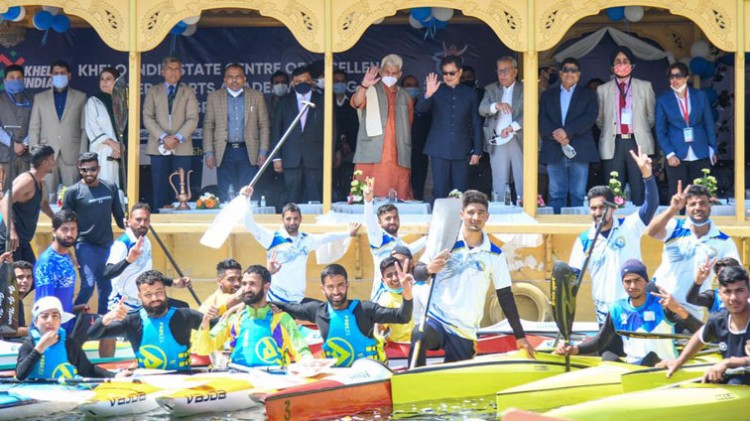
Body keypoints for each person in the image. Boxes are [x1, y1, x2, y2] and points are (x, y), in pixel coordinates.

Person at [410, 190, 533, 366]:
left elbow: (505, 297)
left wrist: (520, 336)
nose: (475, 217)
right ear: (462, 214)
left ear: (487, 217)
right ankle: (413, 382)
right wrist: (429, 269)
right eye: (471, 212)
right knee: (419, 335)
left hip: (465, 331)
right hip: (438, 319)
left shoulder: (495, 255)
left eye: (480, 213)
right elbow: (417, 273)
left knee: (455, 382)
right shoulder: (444, 242)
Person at [568, 147, 657, 354]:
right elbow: (572, 279)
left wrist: (647, 175)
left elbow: (650, 206)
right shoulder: (584, 240)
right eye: (594, 208)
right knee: (611, 362)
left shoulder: (630, 225)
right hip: (607, 318)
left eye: (602, 207)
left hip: (637, 312)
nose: (598, 212)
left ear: (614, 207)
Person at [555, 259, 702, 366]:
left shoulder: (662, 304)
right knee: (607, 356)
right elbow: (600, 341)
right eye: (627, 281)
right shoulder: (617, 309)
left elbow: (702, 331)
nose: (632, 286)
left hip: (662, 367)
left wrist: (678, 309)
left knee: (651, 357)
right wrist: (574, 349)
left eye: (637, 280)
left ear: (645, 281)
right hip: (632, 369)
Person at [273, 264, 413, 367]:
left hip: (372, 374)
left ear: (347, 285)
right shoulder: (317, 311)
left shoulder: (365, 309)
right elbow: (285, 306)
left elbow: (402, 316)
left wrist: (406, 292)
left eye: (340, 285)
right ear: (323, 289)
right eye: (330, 287)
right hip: (339, 377)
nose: (336, 291)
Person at [241, 185, 359, 303]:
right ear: (282, 220)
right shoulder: (272, 238)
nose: (292, 222)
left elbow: (326, 238)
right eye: (288, 219)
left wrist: (348, 233)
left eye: (295, 218)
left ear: (301, 219)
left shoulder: (306, 240)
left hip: (299, 300)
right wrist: (246, 199)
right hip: (275, 300)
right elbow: (249, 224)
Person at [645, 184, 740, 319]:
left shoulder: (724, 241)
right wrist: (672, 209)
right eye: (692, 204)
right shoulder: (675, 227)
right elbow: (651, 232)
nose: (697, 208)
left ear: (710, 206)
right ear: (686, 207)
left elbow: (735, 276)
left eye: (702, 203)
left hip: (690, 308)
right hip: (659, 300)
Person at [88, 270, 209, 371]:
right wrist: (108, 317)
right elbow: (92, 334)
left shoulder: (185, 316)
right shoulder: (132, 322)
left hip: (183, 381)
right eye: (148, 294)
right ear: (139, 296)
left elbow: (220, 326)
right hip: (147, 384)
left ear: (165, 292)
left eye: (158, 292)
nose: (155, 298)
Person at [194, 265, 312, 368]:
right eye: (244, 284)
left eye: (252, 284)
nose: (247, 289)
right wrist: (205, 323)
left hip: (272, 381)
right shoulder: (234, 318)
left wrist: (310, 365)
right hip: (239, 380)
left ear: (266, 287)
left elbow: (301, 351)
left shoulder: (281, 318)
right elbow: (203, 349)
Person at [658, 265, 750, 385]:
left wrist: (728, 362)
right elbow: (700, 337)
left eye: (739, 290)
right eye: (727, 291)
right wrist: (679, 361)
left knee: (735, 382)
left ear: (748, 291)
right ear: (720, 295)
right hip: (735, 377)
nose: (733, 297)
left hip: (741, 385)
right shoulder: (718, 320)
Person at [62, 152, 125, 315]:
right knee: (88, 285)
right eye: (84, 170)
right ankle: (71, 320)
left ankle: (104, 325)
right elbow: (64, 222)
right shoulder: (73, 192)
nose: (89, 173)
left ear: (99, 168)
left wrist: (133, 226)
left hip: (106, 245)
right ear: (79, 169)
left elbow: (119, 217)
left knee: (107, 288)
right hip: (84, 244)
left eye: (92, 169)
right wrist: (66, 249)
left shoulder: (110, 187)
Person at [104, 202, 192, 314]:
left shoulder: (146, 242)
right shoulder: (123, 244)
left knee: (182, 310)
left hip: (143, 304)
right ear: (129, 221)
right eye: (138, 220)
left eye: (146, 220)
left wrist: (174, 283)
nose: (142, 224)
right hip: (123, 308)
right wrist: (127, 261)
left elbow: (147, 276)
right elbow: (107, 274)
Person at [596, 47, 656, 206]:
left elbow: (651, 117)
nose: (621, 65)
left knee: (639, 185)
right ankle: (614, 222)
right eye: (617, 62)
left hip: (637, 141)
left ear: (632, 65)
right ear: (611, 66)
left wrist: (638, 129)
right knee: (614, 185)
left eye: (625, 61)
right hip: (613, 142)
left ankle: (642, 220)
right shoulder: (602, 90)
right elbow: (600, 119)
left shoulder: (645, 86)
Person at [416, 55, 482, 199]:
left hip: (462, 149)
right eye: (445, 73)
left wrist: (477, 150)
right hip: (438, 149)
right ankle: (438, 221)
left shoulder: (470, 93)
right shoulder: (436, 90)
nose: (448, 76)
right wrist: (428, 94)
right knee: (440, 191)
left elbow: (476, 122)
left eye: (451, 73)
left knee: (461, 192)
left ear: (460, 72)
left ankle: (461, 222)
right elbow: (420, 110)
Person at [538, 57, 599, 213]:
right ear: (560, 73)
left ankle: (578, 232)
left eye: (573, 70)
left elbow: (590, 117)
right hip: (554, 148)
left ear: (578, 75)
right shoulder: (548, 95)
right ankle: (557, 231)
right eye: (566, 70)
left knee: (578, 194)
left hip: (579, 149)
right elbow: (542, 119)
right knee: (556, 194)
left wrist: (567, 132)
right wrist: (557, 135)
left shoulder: (589, 95)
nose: (569, 73)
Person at [204, 63, 270, 202]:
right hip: (224, 152)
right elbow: (208, 125)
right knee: (225, 193)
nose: (234, 80)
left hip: (248, 152)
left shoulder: (256, 96)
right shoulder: (214, 97)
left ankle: (246, 222)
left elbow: (263, 125)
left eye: (238, 77)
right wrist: (209, 153)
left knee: (248, 193)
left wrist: (263, 152)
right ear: (224, 80)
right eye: (230, 77)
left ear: (244, 79)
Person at [351, 55, 414, 200]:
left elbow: (409, 123)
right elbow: (356, 102)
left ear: (400, 74)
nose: (390, 75)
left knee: (397, 198)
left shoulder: (405, 96)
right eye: (387, 72)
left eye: (394, 73)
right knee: (367, 196)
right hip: (371, 154)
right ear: (380, 71)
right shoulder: (369, 89)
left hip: (398, 155)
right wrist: (364, 85)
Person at [143, 56, 199, 210]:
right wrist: (163, 138)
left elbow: (193, 119)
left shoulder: (188, 92)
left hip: (182, 148)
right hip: (158, 147)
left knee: (181, 190)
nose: (173, 72)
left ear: (181, 72)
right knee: (159, 190)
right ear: (162, 71)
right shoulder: (153, 91)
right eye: (169, 69)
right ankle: (158, 222)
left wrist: (176, 138)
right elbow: (147, 117)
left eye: (176, 69)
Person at [16, 296, 115, 380]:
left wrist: (114, 376)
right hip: (37, 394)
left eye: (55, 316)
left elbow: (88, 369)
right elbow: (20, 375)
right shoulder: (28, 345)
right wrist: (40, 348)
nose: (50, 321)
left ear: (60, 321)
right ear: (36, 322)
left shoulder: (69, 344)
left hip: (64, 392)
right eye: (44, 316)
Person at [655, 62, 717, 197]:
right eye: (671, 77)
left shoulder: (700, 96)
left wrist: (713, 148)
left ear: (687, 77)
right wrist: (669, 154)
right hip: (676, 154)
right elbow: (660, 131)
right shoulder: (663, 100)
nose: (674, 80)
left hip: (701, 152)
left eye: (678, 76)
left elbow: (709, 124)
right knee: (678, 197)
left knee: (700, 197)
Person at [28, 60, 87, 199]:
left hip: (72, 153)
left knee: (73, 195)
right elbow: (34, 128)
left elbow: (84, 129)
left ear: (69, 75)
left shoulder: (80, 97)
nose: (59, 76)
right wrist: (35, 154)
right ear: (50, 75)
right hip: (45, 154)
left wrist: (82, 155)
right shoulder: (40, 98)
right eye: (56, 73)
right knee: (45, 196)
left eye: (62, 73)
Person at [363, 177, 426, 299]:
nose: (392, 221)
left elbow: (409, 250)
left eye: (395, 217)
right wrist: (368, 201)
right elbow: (370, 224)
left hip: (400, 295)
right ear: (379, 223)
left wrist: (427, 239)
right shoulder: (379, 238)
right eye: (388, 218)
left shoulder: (399, 243)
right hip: (382, 297)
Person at [272, 66, 326, 204]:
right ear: (292, 83)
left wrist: (330, 155)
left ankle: (316, 225)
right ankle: (291, 224)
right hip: (291, 157)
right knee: (292, 198)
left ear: (312, 81)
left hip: (315, 157)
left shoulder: (323, 100)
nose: (302, 83)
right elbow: (276, 130)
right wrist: (276, 157)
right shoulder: (284, 102)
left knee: (315, 198)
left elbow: (331, 130)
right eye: (298, 81)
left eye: (306, 80)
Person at [479, 56, 525, 201]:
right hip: (497, 139)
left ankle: (525, 210)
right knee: (498, 180)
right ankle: (500, 211)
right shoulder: (491, 89)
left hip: (520, 138)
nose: (502, 74)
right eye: (499, 71)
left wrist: (512, 127)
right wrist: (496, 105)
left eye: (506, 71)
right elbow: (482, 109)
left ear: (515, 72)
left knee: (522, 177)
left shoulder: (525, 89)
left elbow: (531, 112)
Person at [0, 144, 55, 262]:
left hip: (23, 242)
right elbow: (4, 202)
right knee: (10, 279)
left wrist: (56, 219)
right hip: (9, 242)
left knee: (32, 278)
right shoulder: (27, 181)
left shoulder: (41, 183)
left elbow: (43, 203)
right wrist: (12, 231)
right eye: (52, 159)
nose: (54, 163)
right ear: (45, 163)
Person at [33, 209, 80, 333]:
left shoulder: (67, 256)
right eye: (65, 229)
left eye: (73, 229)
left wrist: (74, 308)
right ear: (54, 232)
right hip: (51, 330)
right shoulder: (47, 262)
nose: (70, 234)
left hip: (67, 325)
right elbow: (46, 303)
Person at [84, 67, 124, 187]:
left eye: (108, 79)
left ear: (116, 81)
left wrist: (121, 147)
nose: (104, 82)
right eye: (102, 79)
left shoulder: (123, 103)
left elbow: (128, 128)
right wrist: (113, 144)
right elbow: (92, 127)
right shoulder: (94, 102)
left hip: (121, 154)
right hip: (101, 152)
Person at [0, 64, 33, 188]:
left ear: (24, 79)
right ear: (4, 81)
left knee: (26, 192)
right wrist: (12, 144)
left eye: (19, 77)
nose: (15, 80)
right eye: (11, 77)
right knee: (6, 196)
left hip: (27, 156)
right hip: (5, 155)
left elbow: (36, 125)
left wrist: (24, 144)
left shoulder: (32, 99)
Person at [402, 75, 431, 201]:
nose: (412, 88)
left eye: (414, 85)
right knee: (401, 188)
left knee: (418, 188)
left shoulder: (424, 106)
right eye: (408, 85)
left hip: (420, 153)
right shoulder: (396, 106)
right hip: (400, 153)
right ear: (402, 88)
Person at [374, 256, 415, 344]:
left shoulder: (417, 290)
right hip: (401, 349)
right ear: (383, 280)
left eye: (397, 273)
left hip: (423, 345)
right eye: (389, 276)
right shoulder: (385, 300)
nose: (395, 278)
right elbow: (377, 327)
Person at [333, 69, 358, 201]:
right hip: (332, 151)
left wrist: (349, 144)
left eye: (342, 81)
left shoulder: (352, 104)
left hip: (351, 152)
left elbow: (356, 127)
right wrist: (339, 144)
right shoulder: (326, 103)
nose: (340, 84)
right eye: (336, 81)